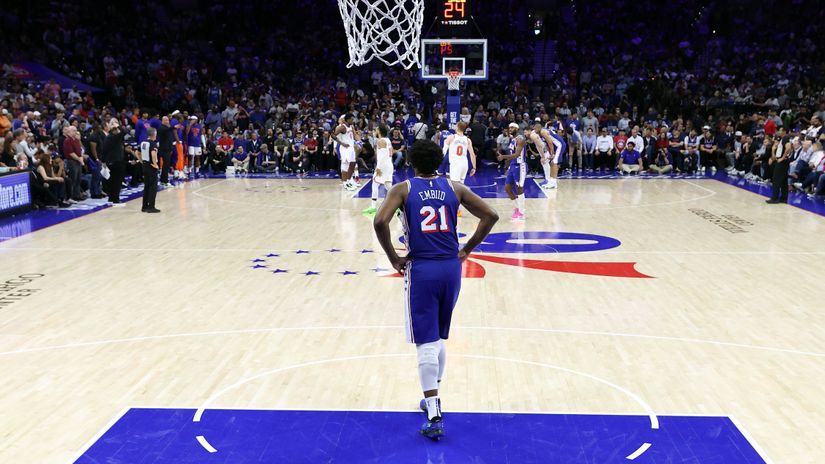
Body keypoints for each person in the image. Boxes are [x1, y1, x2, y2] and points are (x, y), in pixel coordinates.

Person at [372, 139, 498, 441]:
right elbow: (491, 215)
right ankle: (434, 394)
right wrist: (467, 248)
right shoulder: (454, 187)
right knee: (439, 336)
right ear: (440, 160)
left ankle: (433, 412)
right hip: (451, 268)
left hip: (423, 269)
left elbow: (379, 221)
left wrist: (392, 257)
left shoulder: (403, 189)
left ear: (412, 163)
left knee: (425, 342)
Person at [497, 123, 532, 219]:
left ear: (517, 128)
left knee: (519, 188)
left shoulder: (520, 139)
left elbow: (516, 155)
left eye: (512, 127)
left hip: (520, 166)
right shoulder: (512, 139)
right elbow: (512, 155)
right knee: (507, 188)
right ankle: (517, 207)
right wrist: (508, 167)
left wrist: (503, 157)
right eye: (509, 127)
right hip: (513, 166)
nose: (510, 129)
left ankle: (521, 213)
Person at [363, 125, 394, 215]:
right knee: (388, 186)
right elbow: (390, 152)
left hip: (383, 165)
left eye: (376, 130)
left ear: (379, 131)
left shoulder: (381, 141)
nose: (375, 131)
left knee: (375, 183)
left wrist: (378, 168)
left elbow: (381, 156)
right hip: (389, 164)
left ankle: (373, 207)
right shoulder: (388, 140)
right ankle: (397, 206)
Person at [100, 118, 127, 205]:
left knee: (112, 181)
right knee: (117, 181)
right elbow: (124, 131)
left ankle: (111, 198)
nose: (118, 131)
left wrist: (103, 161)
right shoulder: (114, 137)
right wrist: (117, 125)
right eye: (117, 129)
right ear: (114, 130)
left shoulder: (109, 137)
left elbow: (104, 150)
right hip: (116, 162)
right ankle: (115, 199)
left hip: (111, 162)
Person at [333, 114, 358, 190]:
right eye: (351, 119)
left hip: (351, 147)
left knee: (352, 164)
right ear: (347, 119)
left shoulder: (350, 126)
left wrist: (357, 142)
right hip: (345, 149)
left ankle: (349, 180)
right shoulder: (342, 127)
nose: (353, 120)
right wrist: (342, 143)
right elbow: (333, 135)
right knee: (345, 166)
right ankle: (345, 183)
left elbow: (353, 136)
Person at [140, 128, 160, 213]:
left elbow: (137, 152)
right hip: (151, 167)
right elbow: (153, 154)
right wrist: (155, 164)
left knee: (146, 186)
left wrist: (141, 161)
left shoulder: (143, 142)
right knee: (153, 187)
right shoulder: (153, 143)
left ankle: (144, 206)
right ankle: (151, 207)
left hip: (145, 165)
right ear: (153, 134)